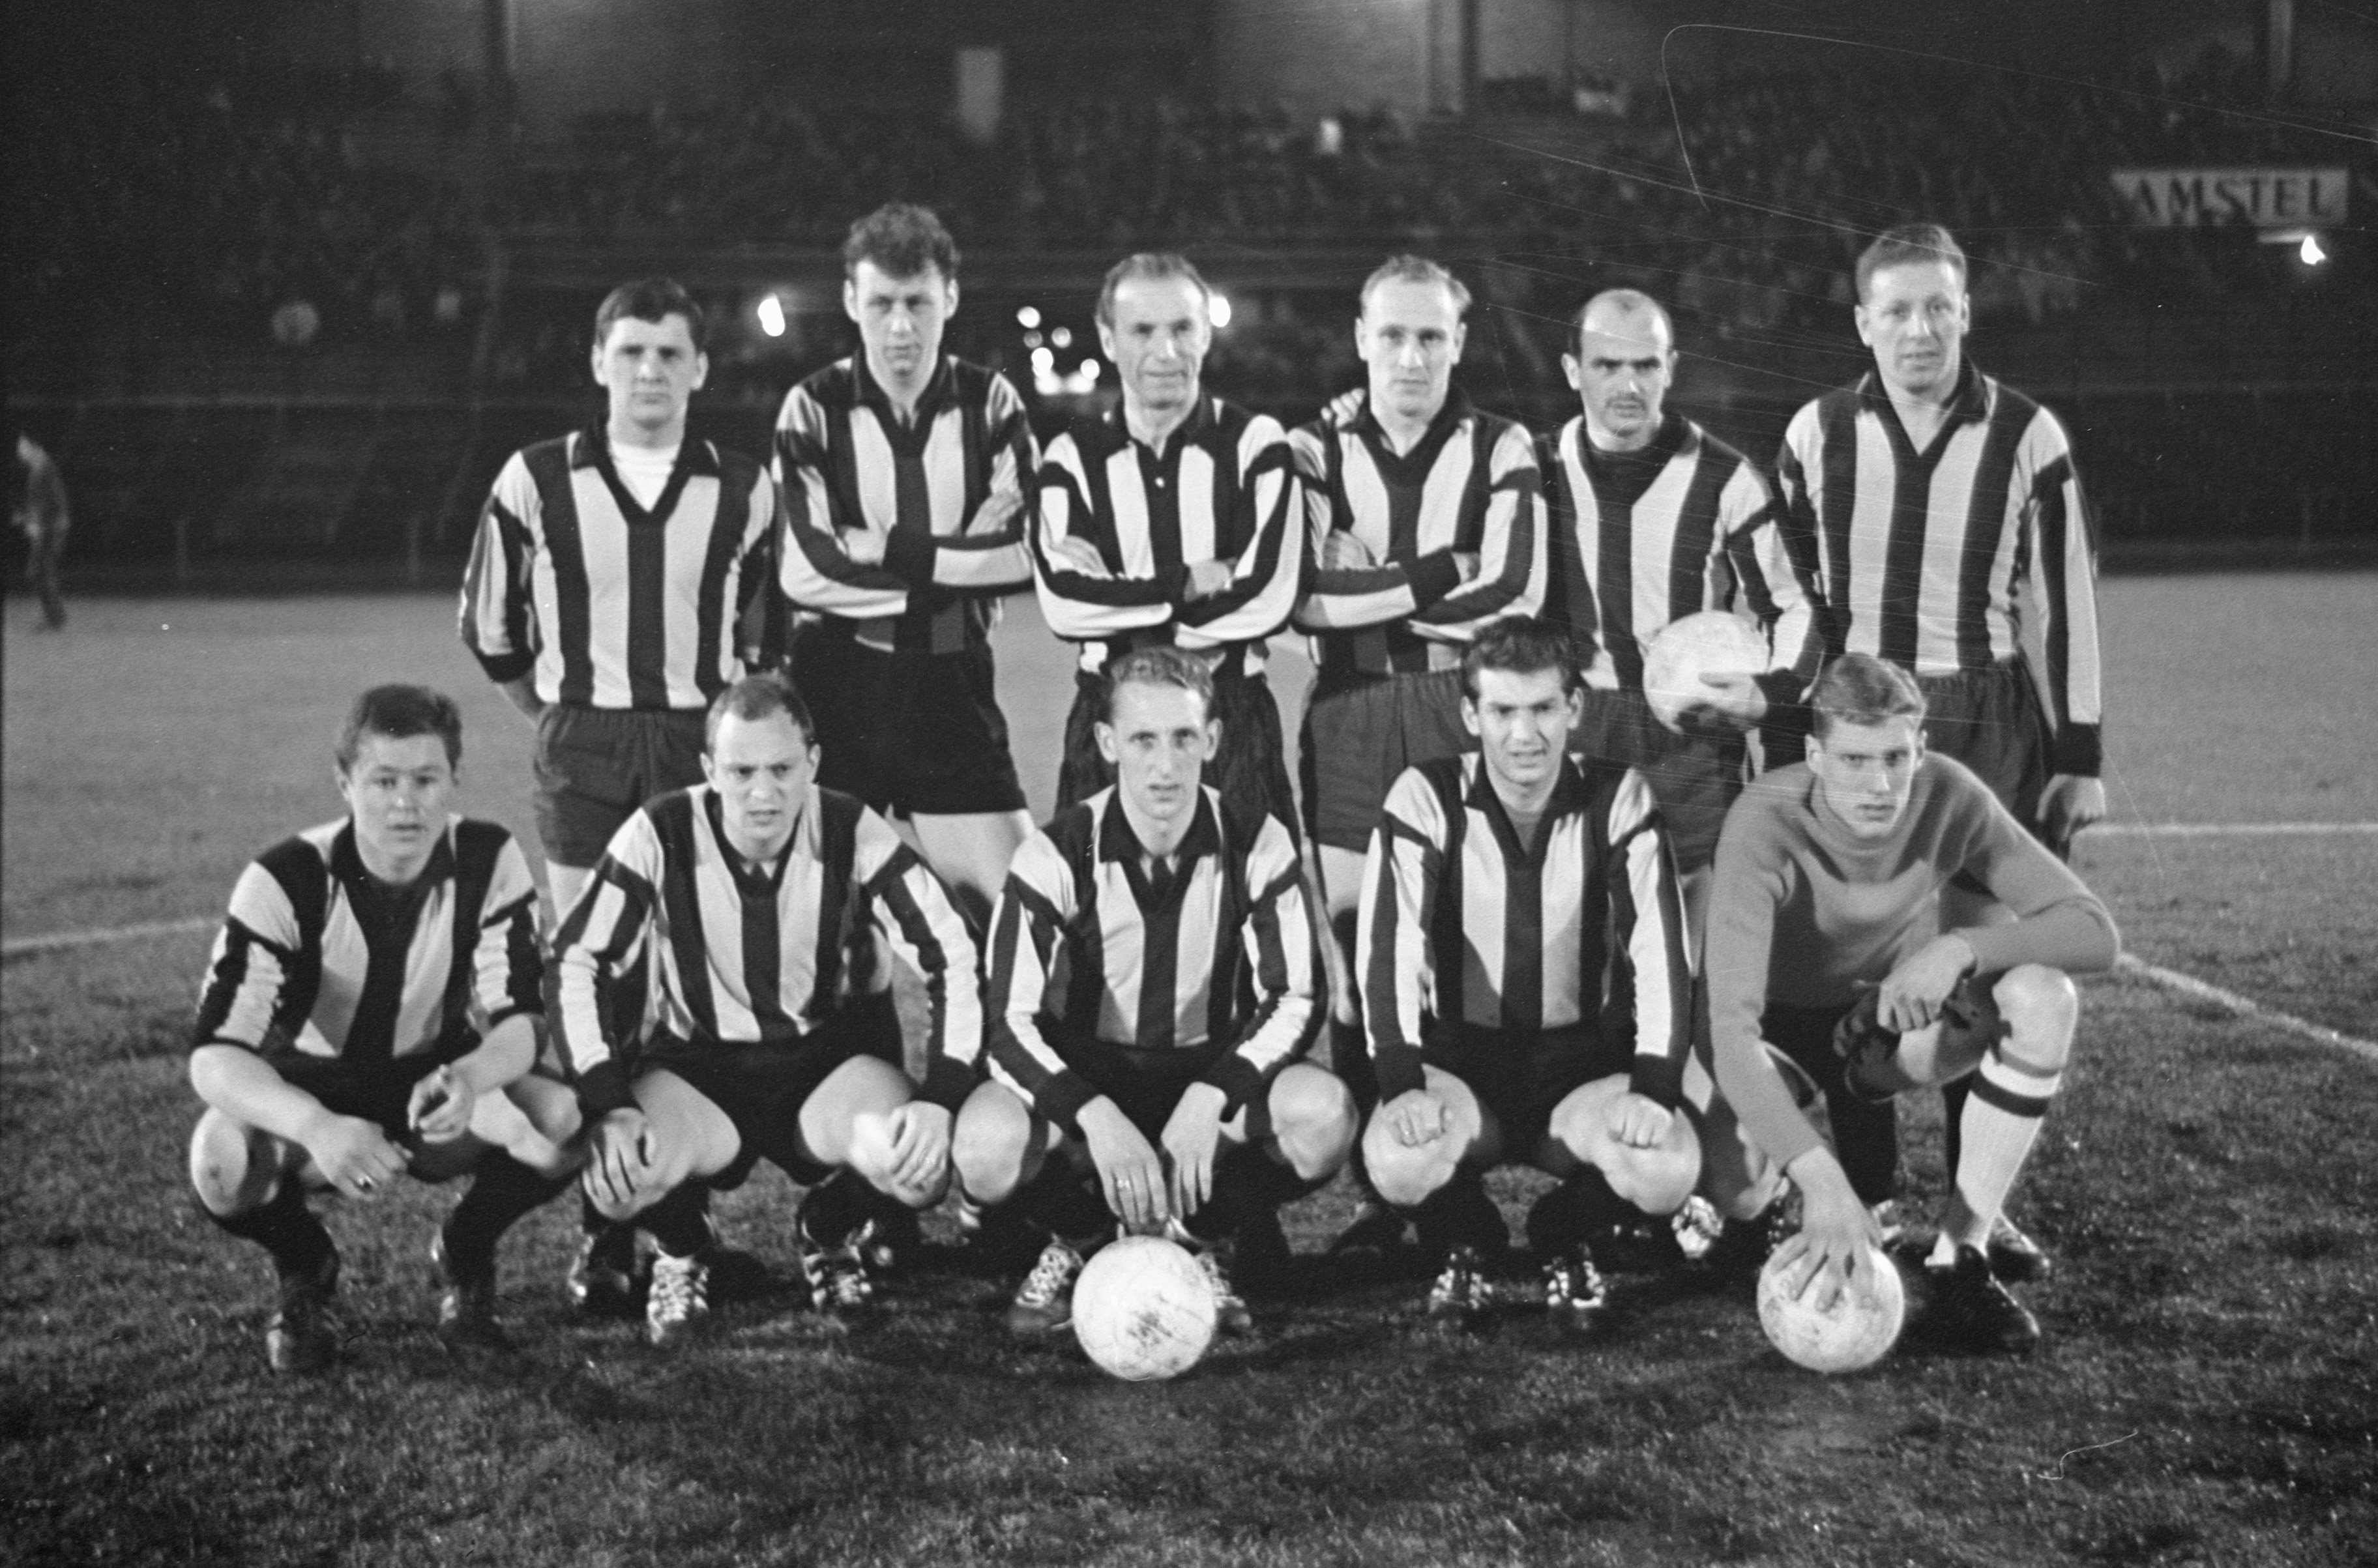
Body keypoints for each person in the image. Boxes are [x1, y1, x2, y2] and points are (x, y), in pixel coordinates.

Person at [1776, 223, 2106, 1278]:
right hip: (1857, 729)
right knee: (1847, 963)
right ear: (1862, 320)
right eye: (1896, 310)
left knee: (1982, 959)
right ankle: (1869, 1198)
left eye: (1936, 308)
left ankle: (1975, 1206)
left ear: (1964, 312)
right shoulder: (1814, 434)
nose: (1917, 329)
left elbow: (2063, 603)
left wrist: (2080, 749)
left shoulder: (2026, 434)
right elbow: (1783, 605)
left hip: (1986, 719)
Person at [458, 277, 782, 1314]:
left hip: (700, 740)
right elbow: (495, 631)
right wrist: (563, 712)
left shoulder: (744, 486)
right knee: (595, 979)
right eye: (631, 351)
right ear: (599, 362)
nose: (650, 370)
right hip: (585, 740)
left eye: (669, 353)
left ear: (700, 368)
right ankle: (613, 1242)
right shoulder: (535, 478)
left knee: (681, 988)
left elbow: (767, 642)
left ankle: (640, 1224)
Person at [1703, 654, 2119, 1353]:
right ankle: (1771, 1201)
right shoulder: (1765, 820)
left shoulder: (1949, 794)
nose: (1880, 784)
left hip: (1871, 1026)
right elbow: (1729, 1033)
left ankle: (1963, 1257)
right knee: (1729, 1179)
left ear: (1921, 747)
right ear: (1815, 755)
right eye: (1855, 760)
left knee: (2043, 996)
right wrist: (1819, 1183)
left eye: (1896, 757)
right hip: (1772, 1031)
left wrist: (1960, 948)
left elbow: (2095, 933)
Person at [550, 673, 982, 1346]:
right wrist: (609, 1100)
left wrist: (942, 1094)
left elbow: (952, 952)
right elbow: (577, 959)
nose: (763, 791)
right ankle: (683, 1249)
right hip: (696, 1070)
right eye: (741, 770)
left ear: (812, 762)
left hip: (817, 1067)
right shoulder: (661, 829)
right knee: (617, 1182)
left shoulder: (847, 825)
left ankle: (828, 1232)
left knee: (919, 1166)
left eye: (782, 769)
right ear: (708, 770)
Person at [956, 648, 1355, 1337]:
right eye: (1143, 739)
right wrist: (1094, 1116)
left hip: (1207, 1070)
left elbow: (1294, 998)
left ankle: (1209, 1232)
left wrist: (1212, 1095)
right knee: (985, 1146)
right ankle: (1077, 1235)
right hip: (1092, 1071)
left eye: (1183, 738)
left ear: (1214, 741)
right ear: (1108, 743)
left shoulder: (1258, 842)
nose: (1165, 765)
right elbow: (1006, 1023)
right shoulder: (1056, 853)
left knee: (1324, 1117)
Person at [186, 686, 580, 1372]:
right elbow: (215, 1058)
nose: (407, 802)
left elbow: (522, 1020)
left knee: (562, 1122)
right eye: (384, 781)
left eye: (427, 780)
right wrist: (312, 1126)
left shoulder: (488, 856)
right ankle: (306, 1268)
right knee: (220, 1164)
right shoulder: (287, 877)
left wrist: (472, 1076)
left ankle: (465, 1252)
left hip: (432, 1078)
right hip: (312, 1085)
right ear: (345, 783)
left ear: (455, 780)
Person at [1286, 254, 1545, 1249]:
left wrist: (1373, 580)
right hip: (1351, 709)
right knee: (1360, 944)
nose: (1410, 356)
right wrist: (1444, 566)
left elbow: (1516, 590)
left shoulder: (1500, 442)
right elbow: (1302, 594)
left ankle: (1454, 1175)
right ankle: (1383, 1192)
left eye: (1431, 336)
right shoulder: (1314, 444)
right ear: (1359, 338)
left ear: (1459, 344)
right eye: (1391, 335)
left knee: (1455, 932)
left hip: (1456, 705)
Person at [1356, 618, 1697, 1331]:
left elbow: (1663, 953)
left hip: (1576, 1076)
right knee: (1395, 1155)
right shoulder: (1426, 794)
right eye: (1504, 711)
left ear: (1574, 709)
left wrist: (1657, 1087)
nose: (1525, 734)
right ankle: (1467, 1240)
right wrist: (1401, 1080)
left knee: (1669, 1169)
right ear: (1471, 714)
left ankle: (1562, 1233)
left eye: (1543, 709)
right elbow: (1388, 949)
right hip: (1463, 1072)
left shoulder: (1619, 797)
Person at [774, 203, 1037, 929]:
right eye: (882, 302)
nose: (900, 325)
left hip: (951, 683)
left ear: (948, 299)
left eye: (917, 302)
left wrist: (887, 547)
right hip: (837, 684)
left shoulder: (991, 403)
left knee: (1012, 915)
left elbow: (1026, 552)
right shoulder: (813, 409)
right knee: (818, 924)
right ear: (852, 300)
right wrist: (958, 571)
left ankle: (993, 1047)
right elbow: (806, 570)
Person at [1540, 288, 1822, 927]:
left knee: (1700, 922)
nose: (1628, 384)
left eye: (1645, 365)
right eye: (1607, 365)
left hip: (1692, 732)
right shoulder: (1533, 467)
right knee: (1584, 931)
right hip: (1577, 726)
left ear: (1671, 367)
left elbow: (1794, 604)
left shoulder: (1726, 477)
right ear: (1571, 370)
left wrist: (1772, 689)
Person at [1031, 252, 1304, 835]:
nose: (1167, 351)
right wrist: (1189, 581)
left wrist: (1121, 603)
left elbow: (1268, 598)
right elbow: (1064, 603)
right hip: (1108, 722)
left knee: (1249, 915)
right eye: (1143, 331)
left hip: (1229, 718)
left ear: (1206, 332)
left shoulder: (1258, 446)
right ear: (1107, 338)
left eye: (1182, 328)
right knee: (1098, 916)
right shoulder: (1071, 460)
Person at [13, 431, 70, 630]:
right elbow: (41, 501)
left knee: (39, 572)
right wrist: (27, 517)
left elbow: (49, 500)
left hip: (51, 528)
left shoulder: (44, 468)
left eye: (22, 446)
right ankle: (56, 617)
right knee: (40, 572)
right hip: (49, 526)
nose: (19, 451)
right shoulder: (39, 468)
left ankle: (54, 619)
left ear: (34, 446)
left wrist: (36, 522)